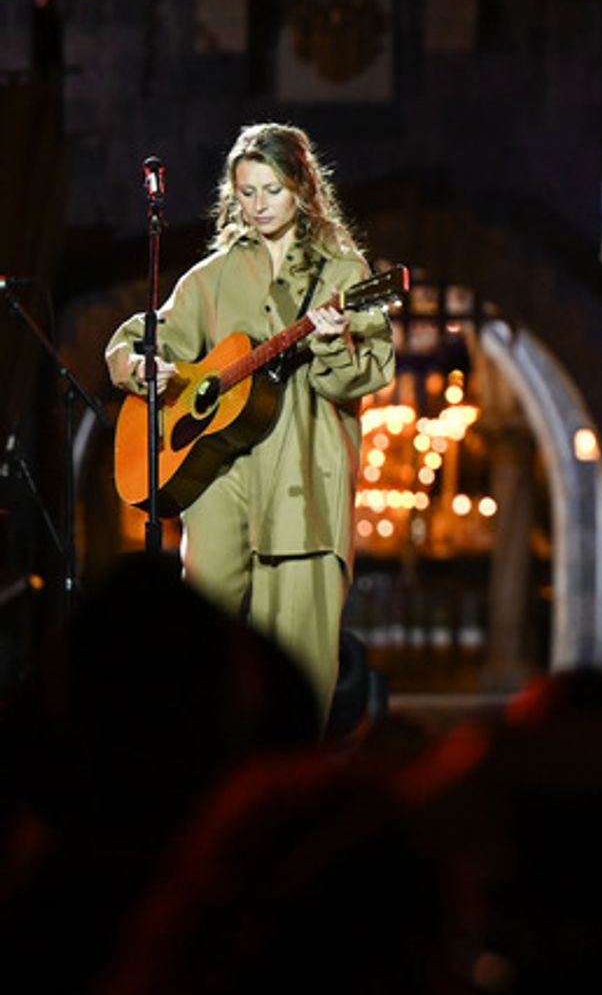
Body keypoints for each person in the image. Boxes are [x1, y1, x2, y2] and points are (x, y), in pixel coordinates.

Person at [105, 123, 395, 722]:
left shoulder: (343, 274)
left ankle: (290, 774)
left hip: (303, 481)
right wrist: (142, 367)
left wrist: (332, 343)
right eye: (247, 192)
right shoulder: (210, 277)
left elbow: (364, 375)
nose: (259, 205)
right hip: (219, 477)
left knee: (301, 662)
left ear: (302, 189)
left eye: (272, 190)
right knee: (198, 646)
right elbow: (139, 339)